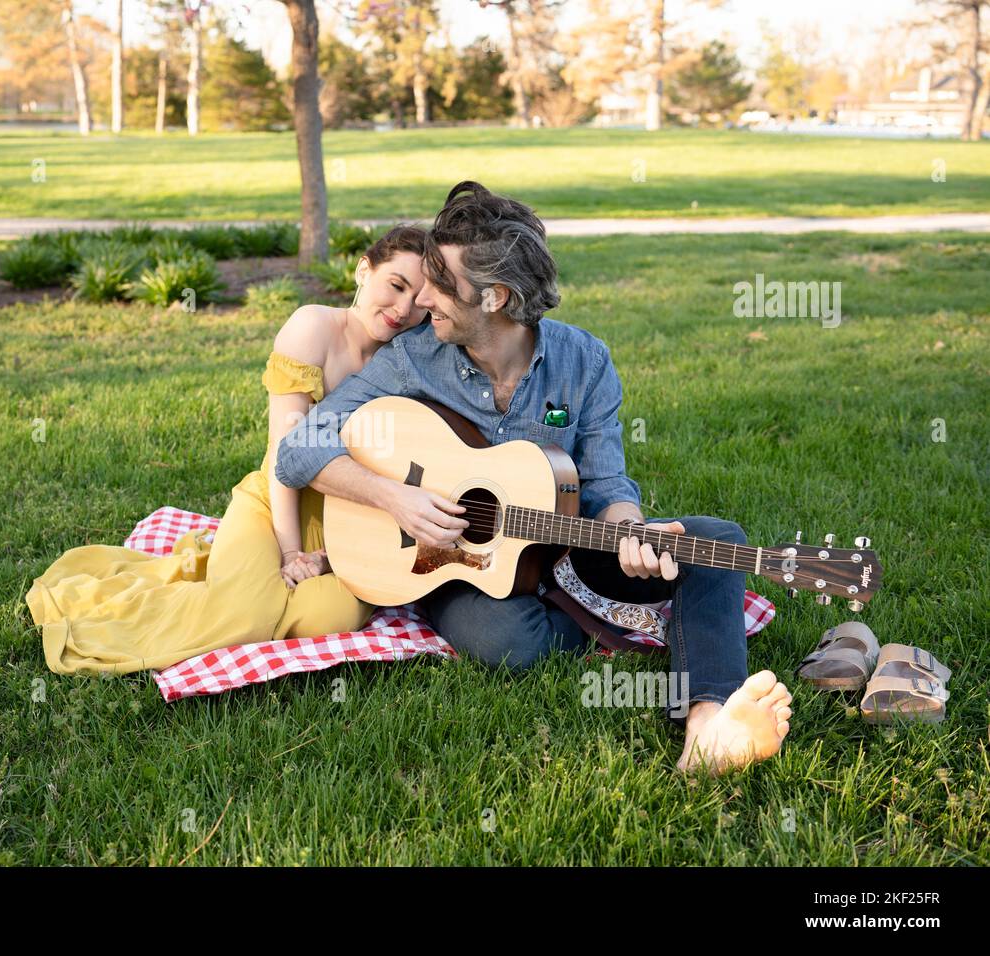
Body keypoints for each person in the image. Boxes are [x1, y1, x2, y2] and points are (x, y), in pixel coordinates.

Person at [274, 182, 793, 775]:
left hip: (567, 539)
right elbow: (296, 449)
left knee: (716, 541)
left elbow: (606, 485)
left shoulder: (584, 361)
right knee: (510, 645)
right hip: (454, 558)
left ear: (495, 296)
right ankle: (607, 619)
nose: (422, 296)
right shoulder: (412, 358)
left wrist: (629, 533)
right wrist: (394, 497)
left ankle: (708, 727)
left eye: (441, 282)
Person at [26, 225, 430, 675]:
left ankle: (232, 578)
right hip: (277, 504)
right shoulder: (312, 327)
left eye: (419, 299)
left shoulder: (410, 359)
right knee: (246, 613)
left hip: (352, 521)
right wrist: (291, 551)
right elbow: (284, 453)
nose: (403, 309)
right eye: (396, 285)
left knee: (329, 618)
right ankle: (187, 594)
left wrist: (328, 557)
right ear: (363, 270)